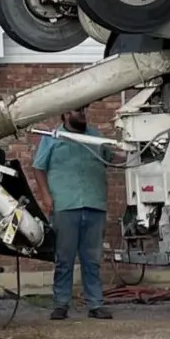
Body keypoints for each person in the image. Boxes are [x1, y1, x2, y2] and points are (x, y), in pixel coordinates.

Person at [34, 111, 112, 320]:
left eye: (83, 110)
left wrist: (136, 148)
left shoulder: (94, 135)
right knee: (64, 258)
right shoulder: (52, 137)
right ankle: (61, 304)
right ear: (65, 114)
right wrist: (46, 196)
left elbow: (112, 158)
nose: (83, 114)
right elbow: (38, 167)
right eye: (77, 110)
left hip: (94, 203)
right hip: (65, 204)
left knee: (92, 259)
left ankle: (95, 304)